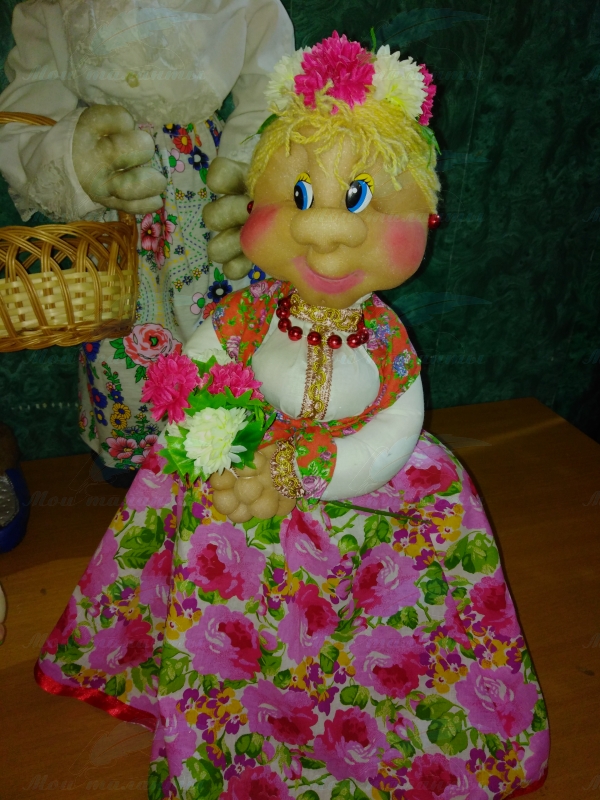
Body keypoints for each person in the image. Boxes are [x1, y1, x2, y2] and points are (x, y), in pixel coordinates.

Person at [35, 34, 549, 799]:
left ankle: (365, 705)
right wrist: (208, 424)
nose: (322, 230)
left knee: (416, 559)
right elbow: (197, 367)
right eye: (300, 198)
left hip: (360, 495)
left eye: (358, 201)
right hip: (243, 467)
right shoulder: (250, 312)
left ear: (425, 216)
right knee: (206, 528)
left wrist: (323, 467)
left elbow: (395, 428)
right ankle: (233, 700)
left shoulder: (385, 341)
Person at [0, 0, 294, 483]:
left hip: (210, 184)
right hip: (115, 185)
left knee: (227, 322)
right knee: (122, 327)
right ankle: (140, 463)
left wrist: (249, 168)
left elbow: (271, 81)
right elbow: (30, 104)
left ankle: (232, 450)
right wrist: (75, 160)